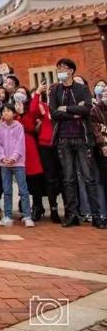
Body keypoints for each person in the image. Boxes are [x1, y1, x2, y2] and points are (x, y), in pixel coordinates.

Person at [49, 58, 106, 228]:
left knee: (89, 178)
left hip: (82, 137)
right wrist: (74, 111)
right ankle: (72, 215)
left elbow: (87, 108)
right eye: (58, 67)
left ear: (71, 71)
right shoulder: (55, 90)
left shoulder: (81, 88)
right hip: (63, 138)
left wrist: (65, 108)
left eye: (64, 68)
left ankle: (96, 215)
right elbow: (53, 112)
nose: (61, 70)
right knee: (68, 178)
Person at [0, 104, 34, 227]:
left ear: (14, 113)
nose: (6, 113)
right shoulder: (0, 127)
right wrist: (2, 157)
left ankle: (27, 216)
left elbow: (20, 144)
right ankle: (7, 216)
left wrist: (13, 157)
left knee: (23, 190)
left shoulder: (18, 126)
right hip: (4, 163)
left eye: (8, 111)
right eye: (4, 111)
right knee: (7, 190)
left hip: (18, 163)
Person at [29, 80, 62, 223]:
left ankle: (66, 208)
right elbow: (33, 110)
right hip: (45, 145)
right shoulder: (42, 106)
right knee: (49, 178)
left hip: (60, 144)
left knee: (60, 178)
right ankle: (53, 208)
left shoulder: (59, 106)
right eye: (49, 90)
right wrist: (37, 93)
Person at [13, 86, 44, 220]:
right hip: (15, 147)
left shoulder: (29, 110)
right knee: (22, 179)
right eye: (18, 92)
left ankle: (38, 206)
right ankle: (25, 206)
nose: (19, 95)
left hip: (29, 145)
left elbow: (30, 127)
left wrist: (22, 114)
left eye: (23, 93)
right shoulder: (10, 109)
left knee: (35, 178)